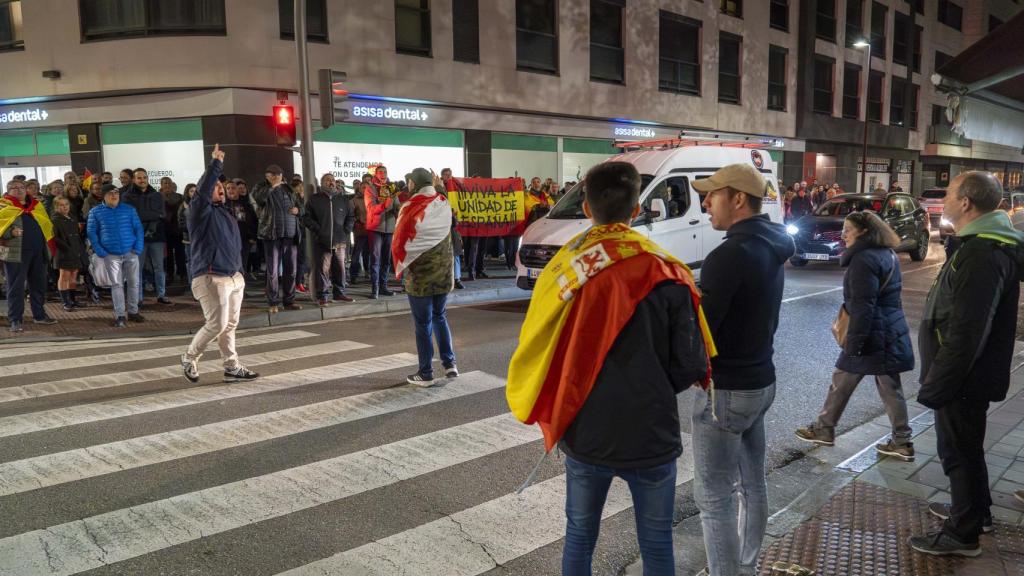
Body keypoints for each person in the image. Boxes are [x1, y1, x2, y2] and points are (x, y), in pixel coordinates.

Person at [506, 161, 713, 575]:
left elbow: (539, 342)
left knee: (580, 536)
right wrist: (649, 384)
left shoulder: (564, 268)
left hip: (587, 431)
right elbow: (690, 363)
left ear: (586, 208)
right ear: (636, 210)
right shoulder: (668, 270)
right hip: (651, 433)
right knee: (656, 543)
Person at [910, 172, 1024, 557]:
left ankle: (963, 532)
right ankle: (976, 513)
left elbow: (969, 328)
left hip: (963, 375)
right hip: (966, 373)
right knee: (967, 447)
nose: (944, 198)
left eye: (949, 192)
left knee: (957, 450)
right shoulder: (980, 246)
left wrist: (940, 381)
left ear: (966, 203)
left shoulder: (982, 253)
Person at [691, 164, 796, 576]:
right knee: (753, 485)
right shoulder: (770, 246)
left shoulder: (729, 254)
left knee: (714, 497)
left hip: (726, 390)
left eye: (712, 194)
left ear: (737, 199)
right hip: (761, 381)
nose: (704, 203)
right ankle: (747, 567)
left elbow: (702, 332)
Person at [795, 211, 915, 459]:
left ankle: (826, 429)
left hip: (872, 334)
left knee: (851, 381)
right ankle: (899, 440)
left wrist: (854, 343)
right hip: (888, 330)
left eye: (847, 230)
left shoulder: (864, 260)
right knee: (883, 386)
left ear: (862, 231)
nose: (843, 235)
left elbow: (863, 305)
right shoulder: (887, 254)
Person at [180, 145, 259, 384]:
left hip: (233, 276)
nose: (220, 189)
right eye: (216, 187)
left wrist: (239, 273)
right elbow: (203, 191)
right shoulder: (199, 211)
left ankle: (231, 366)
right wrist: (215, 164)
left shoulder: (225, 213)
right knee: (218, 324)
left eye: (222, 187)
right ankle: (189, 356)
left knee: (230, 325)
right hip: (211, 276)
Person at [391, 168, 458, 386]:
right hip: (444, 275)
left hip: (420, 278)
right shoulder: (443, 203)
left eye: (410, 181)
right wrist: (439, 186)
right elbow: (438, 195)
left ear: (415, 183)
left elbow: (401, 239)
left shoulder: (410, 207)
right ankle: (450, 365)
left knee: (423, 324)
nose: (408, 184)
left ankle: (426, 373)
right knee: (440, 317)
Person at [0, 179, 58, 332]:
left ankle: (39, 315)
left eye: (21, 187)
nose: (18, 190)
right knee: (16, 287)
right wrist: (9, 232)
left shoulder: (36, 206)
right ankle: (15, 320)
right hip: (16, 254)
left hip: (38, 252)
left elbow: (46, 224)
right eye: (14, 188)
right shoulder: (3, 206)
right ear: (8, 190)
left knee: (39, 285)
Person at [86, 185, 145, 328]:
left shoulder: (129, 210)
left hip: (130, 252)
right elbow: (91, 232)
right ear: (104, 196)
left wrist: (137, 248)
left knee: (134, 283)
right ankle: (120, 315)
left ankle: (133, 311)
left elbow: (138, 229)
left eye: (116, 193)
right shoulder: (95, 212)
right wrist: (100, 251)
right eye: (110, 193)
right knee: (117, 285)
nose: (114, 195)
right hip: (110, 255)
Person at [252, 165, 303, 313]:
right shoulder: (260, 187)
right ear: (266, 176)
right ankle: (273, 302)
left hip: (290, 235)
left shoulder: (288, 189)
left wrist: (298, 210)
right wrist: (273, 187)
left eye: (278, 175)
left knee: (291, 270)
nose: (276, 177)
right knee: (273, 271)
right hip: (272, 235)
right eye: (272, 175)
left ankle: (289, 301)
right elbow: (260, 199)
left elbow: (302, 207)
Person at [303, 173, 356, 306]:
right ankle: (323, 295)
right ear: (322, 183)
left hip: (340, 240)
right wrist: (319, 231)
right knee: (323, 269)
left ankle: (339, 293)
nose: (331, 182)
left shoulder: (343, 199)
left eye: (332, 180)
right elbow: (306, 218)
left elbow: (350, 217)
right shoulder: (315, 199)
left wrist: (345, 231)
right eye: (327, 180)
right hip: (322, 240)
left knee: (340, 268)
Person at [122, 168, 170, 305]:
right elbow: (132, 216)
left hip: (157, 236)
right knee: (138, 268)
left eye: (144, 177)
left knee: (159, 267)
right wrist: (151, 215)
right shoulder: (127, 196)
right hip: (138, 237)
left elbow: (162, 214)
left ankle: (161, 295)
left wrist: (144, 215)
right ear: (134, 180)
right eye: (139, 178)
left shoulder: (157, 195)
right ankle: (138, 298)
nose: (142, 180)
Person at [365, 165, 400, 298]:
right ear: (375, 174)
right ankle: (375, 289)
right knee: (375, 259)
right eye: (380, 172)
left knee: (386, 260)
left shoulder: (392, 188)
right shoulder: (370, 188)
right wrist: (385, 204)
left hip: (390, 228)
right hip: (375, 228)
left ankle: (383, 286)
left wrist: (400, 207)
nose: (383, 174)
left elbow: (396, 206)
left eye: (385, 171)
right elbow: (371, 209)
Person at [51, 196, 86, 312]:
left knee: (73, 275)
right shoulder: (55, 220)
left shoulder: (72, 217)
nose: (65, 207)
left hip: (75, 250)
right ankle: (65, 302)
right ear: (56, 207)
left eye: (66, 204)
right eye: (61, 205)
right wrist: (66, 247)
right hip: (63, 252)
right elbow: (54, 237)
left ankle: (73, 300)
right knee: (64, 275)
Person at [162, 177, 187, 284]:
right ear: (161, 185)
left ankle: (182, 274)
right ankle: (169, 274)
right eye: (164, 183)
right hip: (164, 230)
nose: (167, 185)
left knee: (180, 254)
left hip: (177, 230)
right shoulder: (158, 197)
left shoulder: (180, 197)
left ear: (172, 185)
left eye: (169, 183)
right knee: (167, 256)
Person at [349, 180, 371, 283]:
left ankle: (368, 272)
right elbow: (350, 215)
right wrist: (358, 223)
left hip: (372, 230)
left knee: (368, 253)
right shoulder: (354, 200)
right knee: (357, 253)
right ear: (360, 189)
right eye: (363, 188)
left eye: (368, 188)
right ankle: (353, 275)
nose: (366, 190)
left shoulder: (374, 199)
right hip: (360, 230)